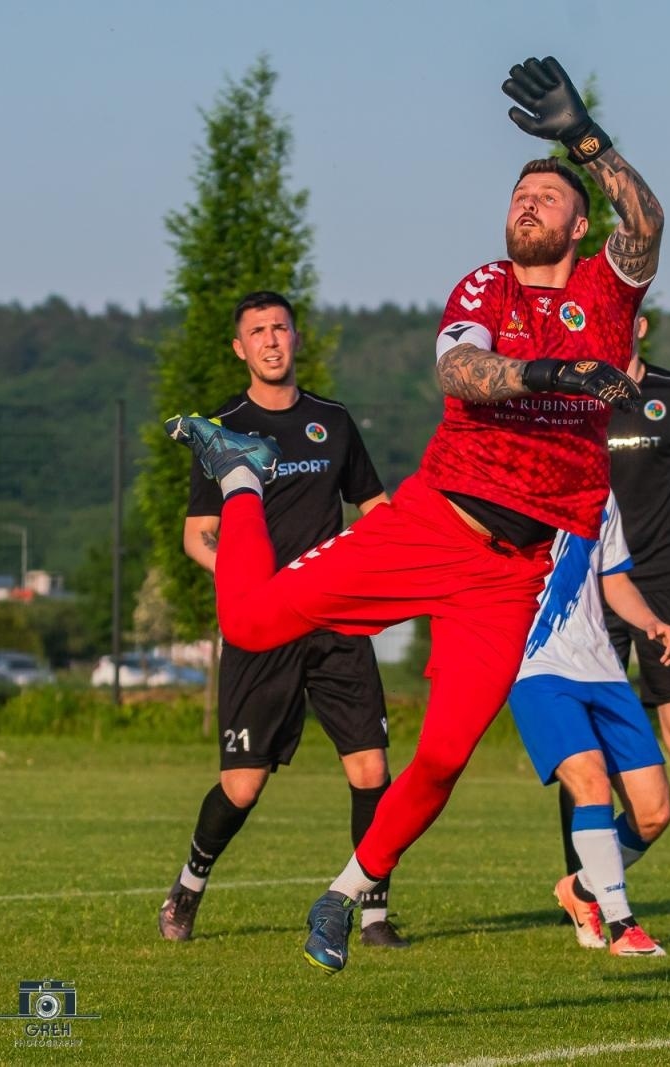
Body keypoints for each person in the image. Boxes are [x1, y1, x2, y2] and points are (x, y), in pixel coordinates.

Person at [164, 55, 662, 973]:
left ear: (579, 220)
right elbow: (459, 370)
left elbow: (647, 223)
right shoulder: (486, 287)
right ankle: (239, 473)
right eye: (520, 190)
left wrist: (583, 141)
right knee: (249, 617)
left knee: (439, 760)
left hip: (512, 574)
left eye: (548, 194)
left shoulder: (606, 292)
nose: (529, 200)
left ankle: (344, 892)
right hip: (436, 522)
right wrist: (550, 372)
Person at [158, 291, 406, 949]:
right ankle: (189, 885)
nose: (271, 340)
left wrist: (378, 551)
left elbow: (374, 505)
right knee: (242, 785)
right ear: (240, 348)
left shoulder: (333, 420)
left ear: (296, 339)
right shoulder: (225, 429)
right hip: (265, 622)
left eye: (280, 328)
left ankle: (372, 912)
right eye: (257, 331)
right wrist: (245, 585)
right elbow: (197, 535)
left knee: (372, 769)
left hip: (334, 615)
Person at [561, 310, 670, 926]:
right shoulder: (571, 400)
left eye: (623, 315)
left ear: (640, 325)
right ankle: (586, 895)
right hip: (589, 585)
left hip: (664, 584)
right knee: (584, 754)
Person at [508, 491, 670, 957]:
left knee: (654, 813)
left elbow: (614, 579)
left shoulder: (599, 492)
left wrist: (649, 621)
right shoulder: (509, 482)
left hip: (603, 671)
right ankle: (624, 926)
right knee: (591, 782)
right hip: (535, 667)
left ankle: (580, 891)